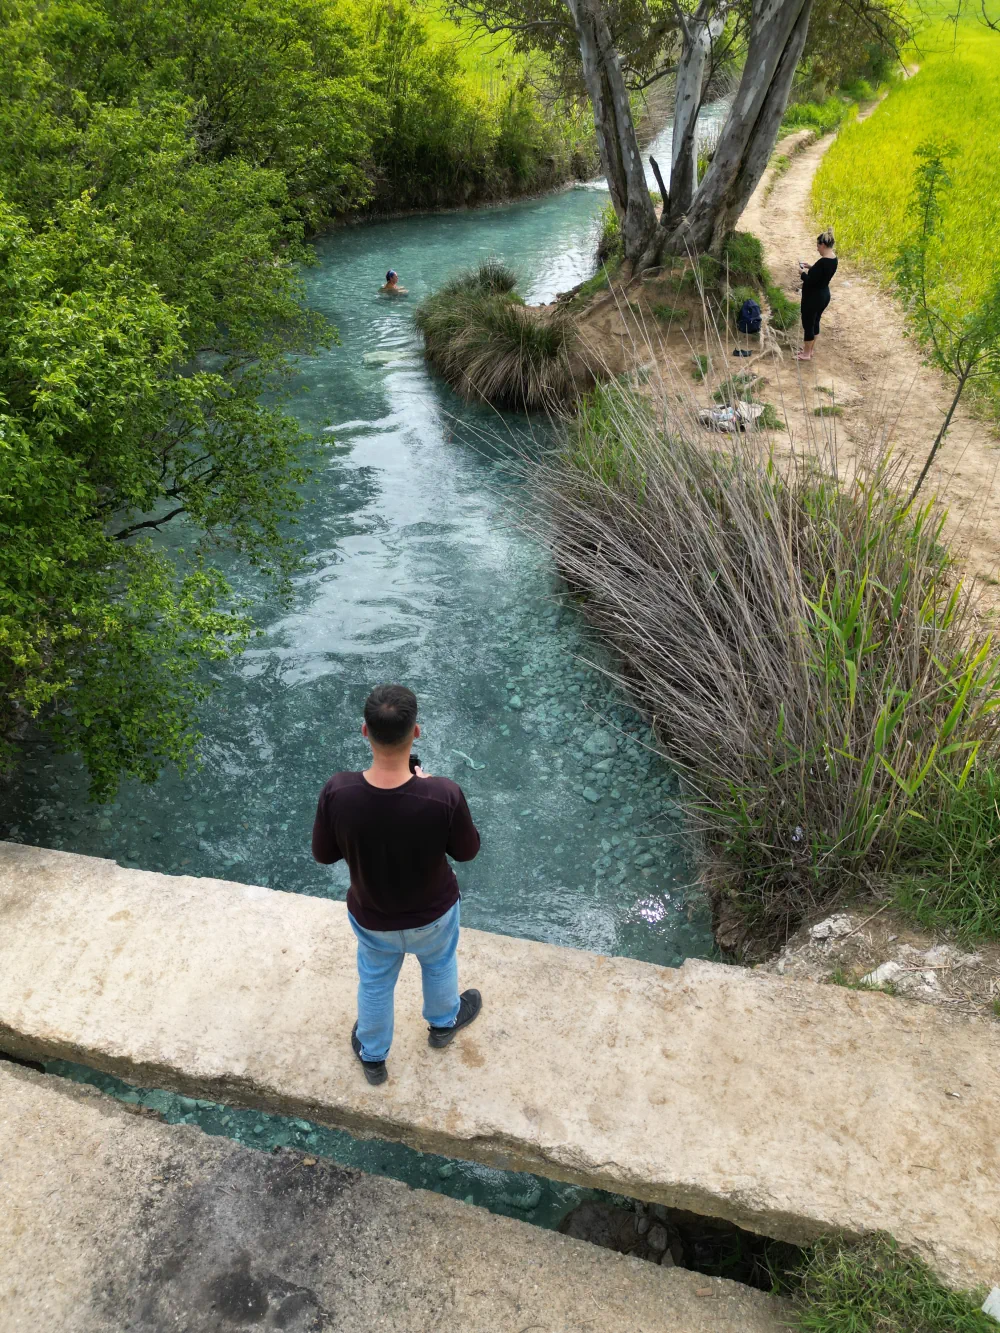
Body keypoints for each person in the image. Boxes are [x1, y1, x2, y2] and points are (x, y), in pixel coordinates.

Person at [312, 684, 482, 1086]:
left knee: (375, 981)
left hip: (373, 917)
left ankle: (373, 1057)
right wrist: (429, 787)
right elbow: (467, 851)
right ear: (416, 732)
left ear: (364, 731)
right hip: (433, 915)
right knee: (439, 964)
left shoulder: (339, 791)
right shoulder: (443, 794)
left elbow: (324, 854)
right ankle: (443, 1025)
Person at [797, 229, 838, 361]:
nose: (817, 249)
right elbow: (821, 275)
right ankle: (810, 350)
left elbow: (811, 282)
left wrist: (802, 273)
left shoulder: (822, 262)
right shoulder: (833, 259)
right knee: (816, 322)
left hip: (813, 297)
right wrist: (811, 267)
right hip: (824, 296)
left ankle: (806, 354)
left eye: (818, 246)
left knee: (808, 324)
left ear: (824, 245)